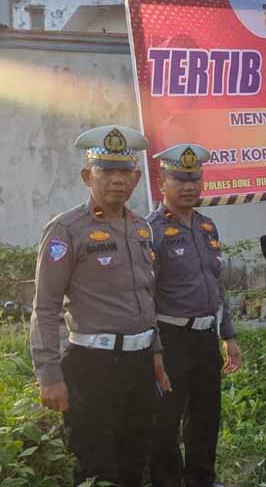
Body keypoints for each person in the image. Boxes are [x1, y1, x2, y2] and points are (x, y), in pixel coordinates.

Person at [30, 125, 170, 486]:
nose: (117, 180)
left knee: (135, 461)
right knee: (96, 466)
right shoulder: (66, 230)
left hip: (139, 364)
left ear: (136, 178)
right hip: (92, 366)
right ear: (86, 176)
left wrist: (155, 353)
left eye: (125, 171)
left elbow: (146, 296)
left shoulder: (140, 229)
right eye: (106, 170)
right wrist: (49, 374)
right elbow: (45, 306)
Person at [147, 143, 242, 487]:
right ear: (162, 183)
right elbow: (144, 296)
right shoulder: (151, 231)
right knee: (166, 418)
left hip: (205, 336)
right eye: (179, 179)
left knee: (206, 414)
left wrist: (228, 335)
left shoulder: (207, 227)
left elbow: (217, 287)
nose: (189, 186)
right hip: (170, 337)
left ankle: (201, 479)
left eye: (194, 179)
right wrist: (155, 349)